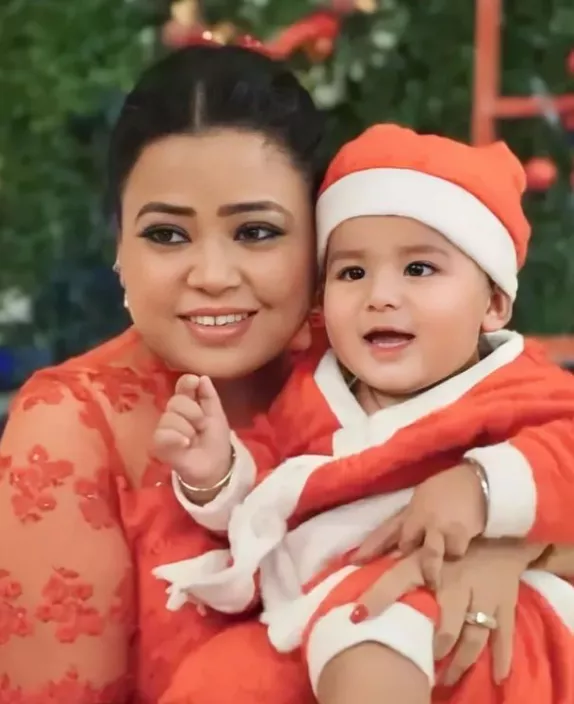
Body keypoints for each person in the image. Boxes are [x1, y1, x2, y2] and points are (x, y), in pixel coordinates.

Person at [0, 43, 572, 704]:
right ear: (119, 246)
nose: (213, 276)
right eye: (166, 235)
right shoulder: (71, 426)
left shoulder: (387, 352)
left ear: (314, 243)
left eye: (256, 232)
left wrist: (506, 545)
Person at [153, 125, 574, 704]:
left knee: (369, 636)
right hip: (314, 608)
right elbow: (269, 492)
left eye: (419, 269)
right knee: (217, 681)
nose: (380, 295)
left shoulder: (517, 387)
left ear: (494, 304)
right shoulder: (312, 391)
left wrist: (480, 486)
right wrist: (216, 472)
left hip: (456, 599)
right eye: (352, 273)